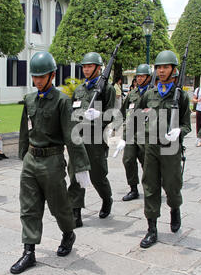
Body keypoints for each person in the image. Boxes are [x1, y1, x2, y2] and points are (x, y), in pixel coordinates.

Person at [10, 51, 91, 275]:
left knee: (59, 207)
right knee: (28, 207)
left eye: (41, 76)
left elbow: (72, 135)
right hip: (31, 160)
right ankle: (29, 252)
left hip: (53, 161)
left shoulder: (63, 101)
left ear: (52, 75)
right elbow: (25, 130)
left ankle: (68, 233)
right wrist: (22, 155)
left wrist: (81, 166)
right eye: (34, 76)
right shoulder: (29, 99)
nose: (37, 81)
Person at [137, 50, 191, 248]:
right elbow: (137, 114)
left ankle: (174, 208)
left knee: (172, 185)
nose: (161, 71)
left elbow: (187, 124)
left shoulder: (181, 96)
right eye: (158, 67)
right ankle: (152, 229)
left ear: (173, 70)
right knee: (150, 186)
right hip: (151, 146)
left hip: (171, 148)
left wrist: (179, 132)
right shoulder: (149, 94)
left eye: (165, 67)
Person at [68, 52, 116, 228]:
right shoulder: (79, 90)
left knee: (97, 176)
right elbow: (72, 113)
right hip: (78, 137)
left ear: (98, 68)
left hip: (96, 139)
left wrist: (99, 115)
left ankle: (106, 198)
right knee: (75, 174)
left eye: (89, 66)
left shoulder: (107, 89)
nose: (86, 69)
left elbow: (113, 114)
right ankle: (76, 212)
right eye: (84, 66)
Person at [116, 64, 151, 202]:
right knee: (128, 160)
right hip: (131, 134)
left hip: (147, 134)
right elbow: (123, 112)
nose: (140, 79)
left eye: (143, 76)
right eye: (138, 76)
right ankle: (133, 189)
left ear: (148, 77)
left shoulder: (153, 94)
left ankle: (151, 188)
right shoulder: (132, 94)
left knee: (147, 163)